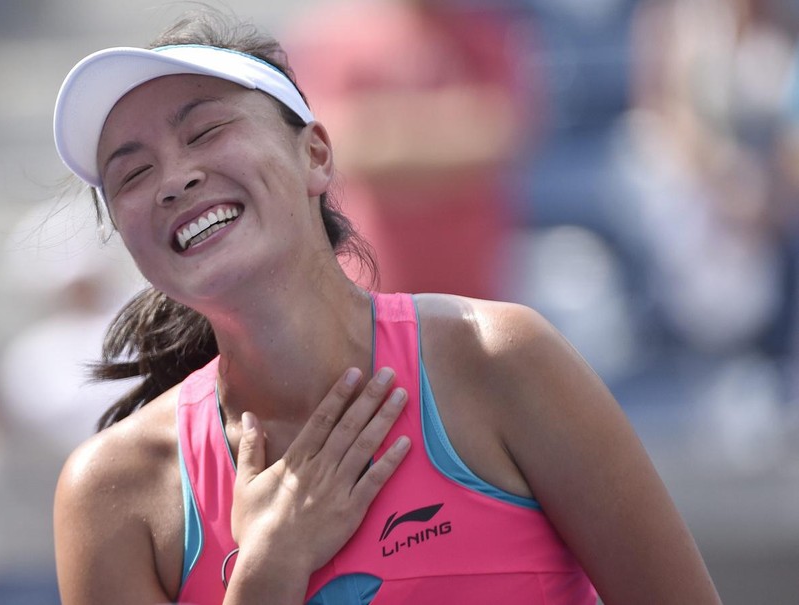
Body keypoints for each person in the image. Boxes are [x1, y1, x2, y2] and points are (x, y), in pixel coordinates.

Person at [51, 9, 722, 605]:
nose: (175, 178)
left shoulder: (504, 360)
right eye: (132, 173)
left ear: (315, 154)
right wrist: (262, 577)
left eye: (207, 131)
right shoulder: (112, 494)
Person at [283, 0, 539, 300]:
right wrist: (456, 127)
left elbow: (502, 135)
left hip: (476, 292)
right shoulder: (332, 37)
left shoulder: (488, 35)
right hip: (367, 290)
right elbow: (335, 146)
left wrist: (383, 130)